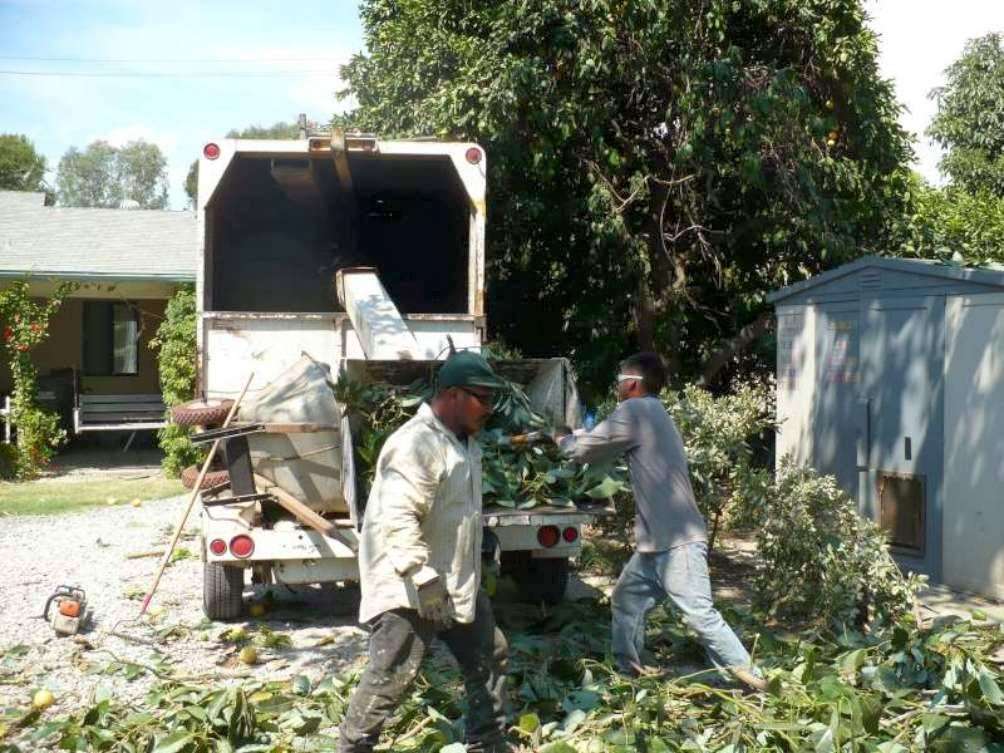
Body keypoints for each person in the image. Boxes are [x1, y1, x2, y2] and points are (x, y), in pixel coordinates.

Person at [557, 352, 765, 690]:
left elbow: (586, 449)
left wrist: (562, 441)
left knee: (700, 615)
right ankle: (630, 671)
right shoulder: (653, 412)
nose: (618, 389)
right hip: (655, 543)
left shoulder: (636, 410)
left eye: (620, 383)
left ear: (633, 384)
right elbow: (603, 437)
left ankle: (753, 680)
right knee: (625, 599)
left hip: (676, 542)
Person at [337, 350, 511, 753]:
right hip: (413, 586)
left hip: (454, 582)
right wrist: (422, 575)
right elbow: (396, 517)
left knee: (490, 654)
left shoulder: (464, 443)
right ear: (452, 395)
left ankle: (486, 739)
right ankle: (352, 748)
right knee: (391, 676)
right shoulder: (416, 444)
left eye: (491, 400)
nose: (489, 408)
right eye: (482, 398)